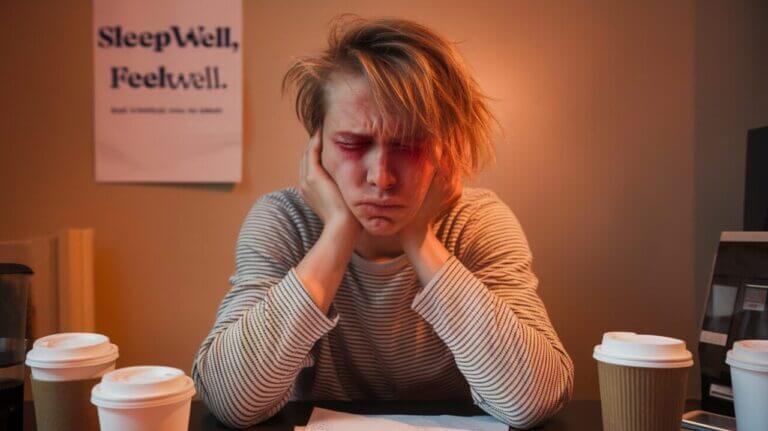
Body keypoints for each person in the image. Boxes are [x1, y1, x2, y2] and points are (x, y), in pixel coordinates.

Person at [192, 16, 574, 429]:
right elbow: (232, 401)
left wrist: (418, 236)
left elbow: (533, 398)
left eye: (409, 146)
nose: (382, 178)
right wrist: (338, 232)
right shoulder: (284, 220)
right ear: (317, 147)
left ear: (445, 151)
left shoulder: (477, 222)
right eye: (353, 144)